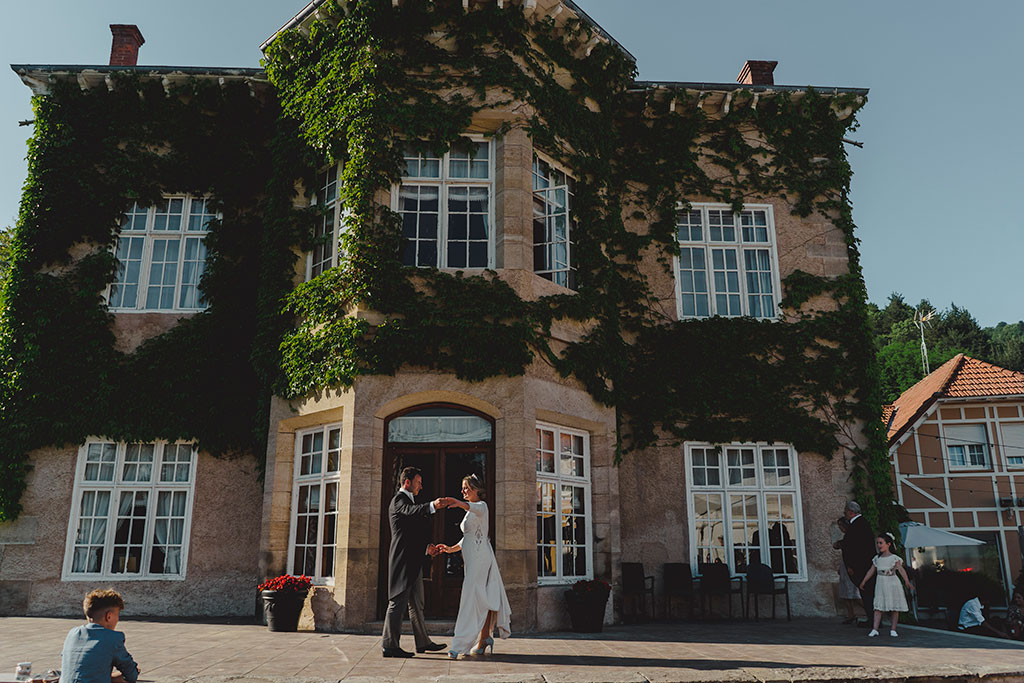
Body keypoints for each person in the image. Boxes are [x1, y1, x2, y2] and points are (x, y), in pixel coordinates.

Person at [437, 474, 511, 660]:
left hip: (480, 559)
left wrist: (456, 502)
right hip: (472, 560)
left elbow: (472, 506)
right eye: (462, 488)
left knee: (470, 599)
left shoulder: (481, 507)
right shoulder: (470, 513)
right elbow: (467, 539)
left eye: (466, 488)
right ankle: (484, 638)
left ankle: (459, 645)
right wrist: (449, 549)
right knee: (480, 598)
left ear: (477, 490)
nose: (463, 491)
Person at [382, 466, 451, 658]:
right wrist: (432, 506)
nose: (421, 486)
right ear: (407, 482)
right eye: (418, 482)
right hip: (402, 563)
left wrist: (426, 548)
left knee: (417, 604)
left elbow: (411, 534)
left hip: (413, 562)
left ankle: (423, 642)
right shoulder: (399, 501)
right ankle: (389, 645)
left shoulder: (411, 502)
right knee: (397, 602)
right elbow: (411, 511)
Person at [60, 588, 140, 683]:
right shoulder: (112, 638)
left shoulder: (72, 633)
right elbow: (131, 675)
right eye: (117, 615)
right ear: (109, 616)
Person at [859, 532, 913, 637]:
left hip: (892, 582)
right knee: (878, 606)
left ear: (888, 544)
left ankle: (893, 629)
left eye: (881, 543)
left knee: (894, 607)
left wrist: (906, 581)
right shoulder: (877, 558)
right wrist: (864, 581)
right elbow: (871, 570)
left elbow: (901, 570)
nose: (879, 545)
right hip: (881, 582)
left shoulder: (894, 558)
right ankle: (875, 629)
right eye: (878, 543)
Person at [842, 501, 876, 626]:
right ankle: (873, 619)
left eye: (845, 512)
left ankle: (873, 620)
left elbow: (855, 548)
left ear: (851, 512)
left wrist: (851, 565)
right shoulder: (861, 523)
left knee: (866, 593)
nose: (845, 514)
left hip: (861, 567)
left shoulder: (858, 525)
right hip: (863, 565)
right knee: (866, 593)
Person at [832, 516, 861, 624]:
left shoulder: (852, 536)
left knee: (854, 593)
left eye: (840, 525)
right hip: (845, 564)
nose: (840, 528)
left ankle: (871, 613)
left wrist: (850, 567)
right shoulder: (846, 537)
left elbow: (851, 552)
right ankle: (851, 615)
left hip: (851, 565)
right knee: (844, 592)